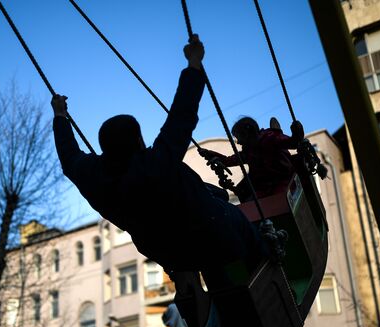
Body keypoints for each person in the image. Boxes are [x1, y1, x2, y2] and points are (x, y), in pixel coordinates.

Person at [51, 35, 266, 277]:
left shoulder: (93, 176)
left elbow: (69, 157)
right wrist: (194, 62)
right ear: (138, 141)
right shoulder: (154, 164)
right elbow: (182, 116)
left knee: (212, 195)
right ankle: (268, 259)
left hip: (167, 253)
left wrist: (60, 117)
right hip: (211, 234)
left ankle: (199, 292)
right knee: (235, 218)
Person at [198, 116, 304, 202]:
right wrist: (210, 154)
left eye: (238, 137)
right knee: (251, 203)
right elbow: (228, 161)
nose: (238, 142)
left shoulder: (271, 138)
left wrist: (297, 132)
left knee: (277, 201)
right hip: (265, 188)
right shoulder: (248, 151)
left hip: (284, 182)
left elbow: (293, 143)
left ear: (247, 134)